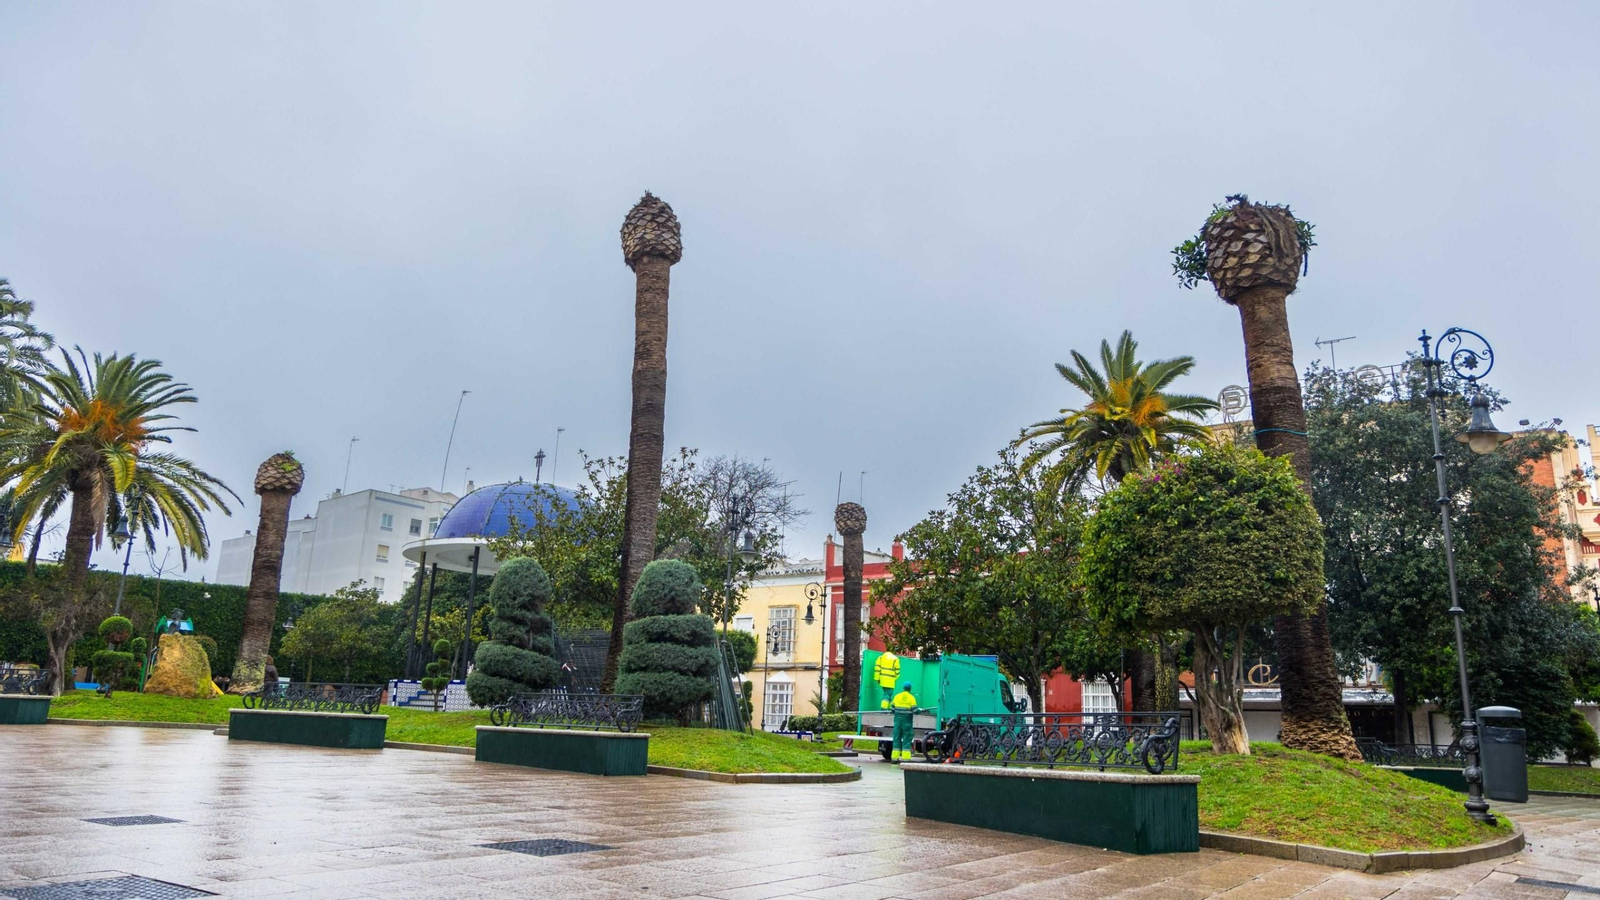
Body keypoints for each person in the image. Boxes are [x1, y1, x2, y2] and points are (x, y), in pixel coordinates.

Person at [890, 681, 918, 762]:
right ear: (910, 689)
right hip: (907, 722)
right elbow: (915, 710)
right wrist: (920, 710)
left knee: (896, 738)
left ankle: (894, 758)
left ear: (903, 688)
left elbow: (892, 709)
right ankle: (905, 759)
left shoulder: (897, 696)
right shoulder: (911, 698)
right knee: (906, 739)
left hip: (897, 721)